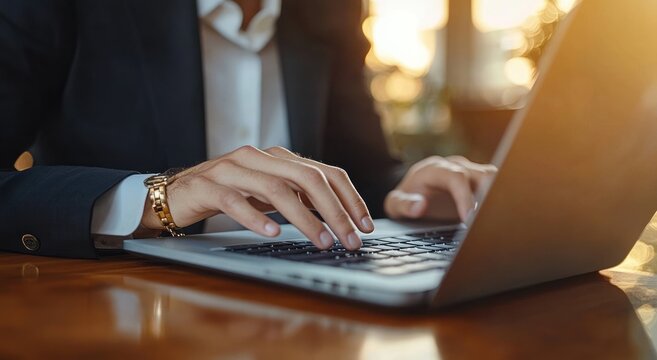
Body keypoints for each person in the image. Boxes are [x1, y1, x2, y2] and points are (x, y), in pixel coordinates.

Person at [0, 0, 496, 258]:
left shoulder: (329, 10)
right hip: (122, 311)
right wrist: (157, 199)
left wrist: (404, 194)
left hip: (307, 313)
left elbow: (358, 170)